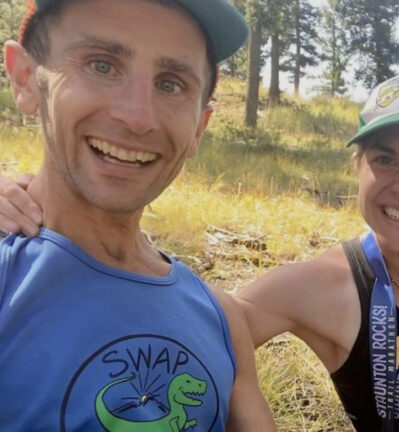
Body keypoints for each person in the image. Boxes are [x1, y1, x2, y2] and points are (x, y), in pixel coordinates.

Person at [0, 70, 399, 430]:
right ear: (357, 168)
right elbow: (182, 324)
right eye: (385, 160)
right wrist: (43, 203)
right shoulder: (317, 288)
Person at [0, 0, 276, 430]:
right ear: (26, 78)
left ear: (199, 127)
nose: (137, 116)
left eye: (170, 84)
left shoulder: (221, 318)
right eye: (101, 65)